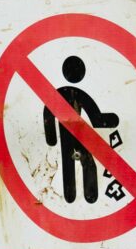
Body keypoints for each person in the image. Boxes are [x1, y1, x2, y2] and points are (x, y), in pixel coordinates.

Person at [43, 55, 119, 203]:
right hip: (69, 134)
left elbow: (93, 113)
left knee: (80, 163)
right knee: (75, 164)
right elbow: (95, 115)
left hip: (75, 134)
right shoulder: (68, 95)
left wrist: (51, 138)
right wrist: (51, 137)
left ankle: (81, 195)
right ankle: (78, 195)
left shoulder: (65, 94)